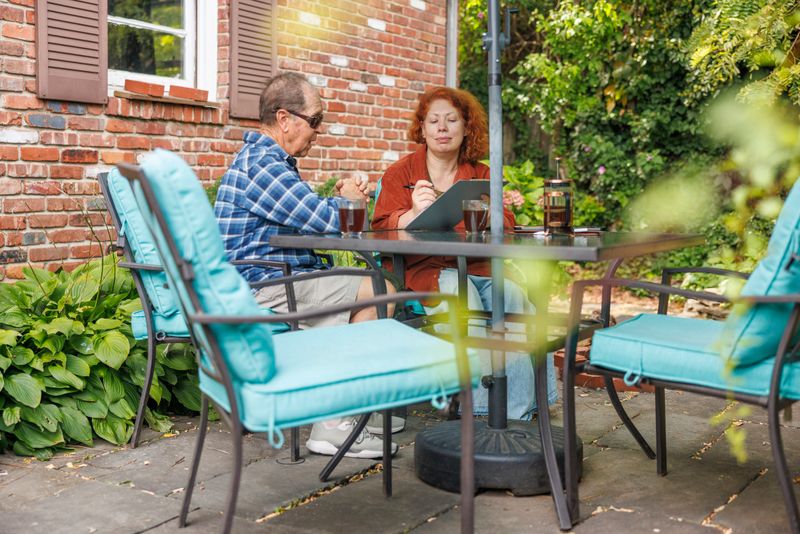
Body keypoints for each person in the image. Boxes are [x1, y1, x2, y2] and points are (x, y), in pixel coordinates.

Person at [215, 72, 402, 459]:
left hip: (269, 279)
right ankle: (334, 424)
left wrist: (343, 202)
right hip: (261, 288)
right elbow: (329, 222)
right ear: (285, 119)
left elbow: (306, 213)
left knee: (373, 284)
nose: (319, 130)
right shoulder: (263, 165)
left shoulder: (268, 162)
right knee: (379, 292)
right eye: (315, 120)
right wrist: (350, 200)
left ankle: (354, 408)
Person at [372, 86, 557, 420]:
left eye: (452, 120)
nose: (442, 128)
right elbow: (381, 228)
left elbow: (509, 227)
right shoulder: (400, 174)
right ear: (422, 129)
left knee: (512, 297)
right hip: (424, 270)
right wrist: (411, 215)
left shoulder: (481, 173)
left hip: (479, 267)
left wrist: (490, 213)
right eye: (434, 121)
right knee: (464, 298)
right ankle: (480, 408)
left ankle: (517, 410)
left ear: (466, 127)